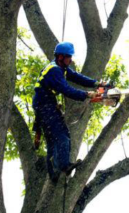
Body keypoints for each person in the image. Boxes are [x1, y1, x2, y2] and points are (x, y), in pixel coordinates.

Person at [32, 42, 103, 183]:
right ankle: (64, 166)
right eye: (69, 57)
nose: (71, 60)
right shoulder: (54, 70)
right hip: (45, 106)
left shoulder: (61, 68)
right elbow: (67, 90)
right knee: (63, 136)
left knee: (53, 139)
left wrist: (97, 84)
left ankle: (53, 173)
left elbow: (77, 77)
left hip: (45, 105)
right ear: (60, 56)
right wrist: (87, 95)